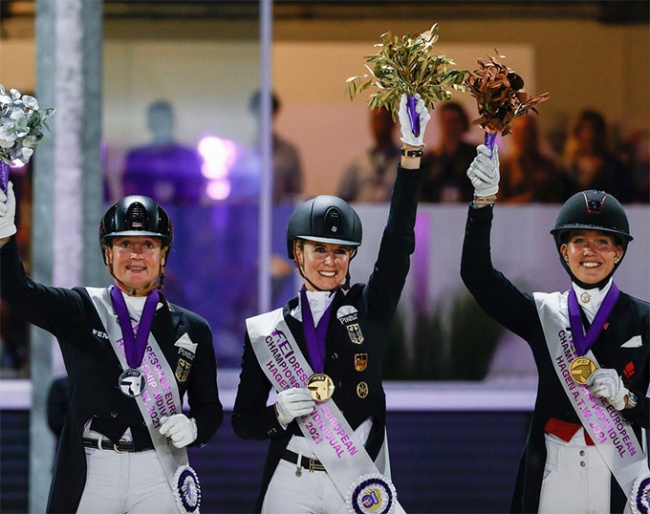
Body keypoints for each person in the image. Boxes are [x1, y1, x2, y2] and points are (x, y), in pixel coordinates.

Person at [231, 93, 430, 513]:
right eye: (318, 249)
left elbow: (398, 243)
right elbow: (245, 423)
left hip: (355, 479)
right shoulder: (269, 330)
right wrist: (278, 413)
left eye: (340, 251)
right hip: (292, 478)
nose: (329, 261)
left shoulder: (369, 307)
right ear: (296, 253)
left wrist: (410, 158)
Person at [0, 190, 223, 513]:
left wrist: (195, 428)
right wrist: (4, 237)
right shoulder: (80, 309)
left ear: (163, 255)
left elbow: (210, 409)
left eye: (148, 244)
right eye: (124, 245)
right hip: (93, 468)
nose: (136, 255)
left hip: (159, 468)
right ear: (107, 253)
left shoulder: (193, 329)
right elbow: (18, 293)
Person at [461, 144, 649, 513]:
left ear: (618, 253)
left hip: (618, 471)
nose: (589, 251)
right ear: (564, 252)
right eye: (579, 241)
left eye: (602, 242)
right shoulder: (544, 312)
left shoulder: (644, 320)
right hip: (554, 469)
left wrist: (628, 400)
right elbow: (478, 278)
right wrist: (482, 203)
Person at [123, 100, 206, 205]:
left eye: (163, 119)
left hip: (181, 217)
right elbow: (130, 190)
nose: (160, 124)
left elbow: (195, 190)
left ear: (172, 121)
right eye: (156, 119)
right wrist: (152, 192)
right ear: (149, 123)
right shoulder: (136, 157)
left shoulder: (188, 156)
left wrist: (175, 192)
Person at [562, 109, 636, 203]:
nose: (591, 135)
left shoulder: (613, 167)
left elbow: (625, 195)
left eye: (595, 129)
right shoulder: (568, 168)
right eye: (585, 129)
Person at [498, 115, 569, 203]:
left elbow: (557, 199)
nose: (524, 138)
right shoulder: (505, 167)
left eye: (528, 132)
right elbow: (498, 203)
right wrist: (520, 202)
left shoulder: (548, 166)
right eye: (520, 133)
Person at [249, 90, 304, 204]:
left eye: (268, 111)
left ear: (275, 113)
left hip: (279, 215)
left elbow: (295, 192)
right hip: (248, 214)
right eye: (259, 110)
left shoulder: (288, 152)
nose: (263, 116)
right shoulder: (244, 150)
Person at [337, 106, 401, 203]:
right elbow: (343, 199)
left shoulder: (406, 163)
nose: (381, 126)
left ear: (394, 123)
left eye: (385, 119)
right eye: (376, 120)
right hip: (362, 217)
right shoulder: (357, 162)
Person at [419, 101, 477, 203]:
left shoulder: (475, 157)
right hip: (436, 213)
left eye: (454, 122)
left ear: (462, 124)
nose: (450, 128)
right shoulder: (430, 160)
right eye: (446, 122)